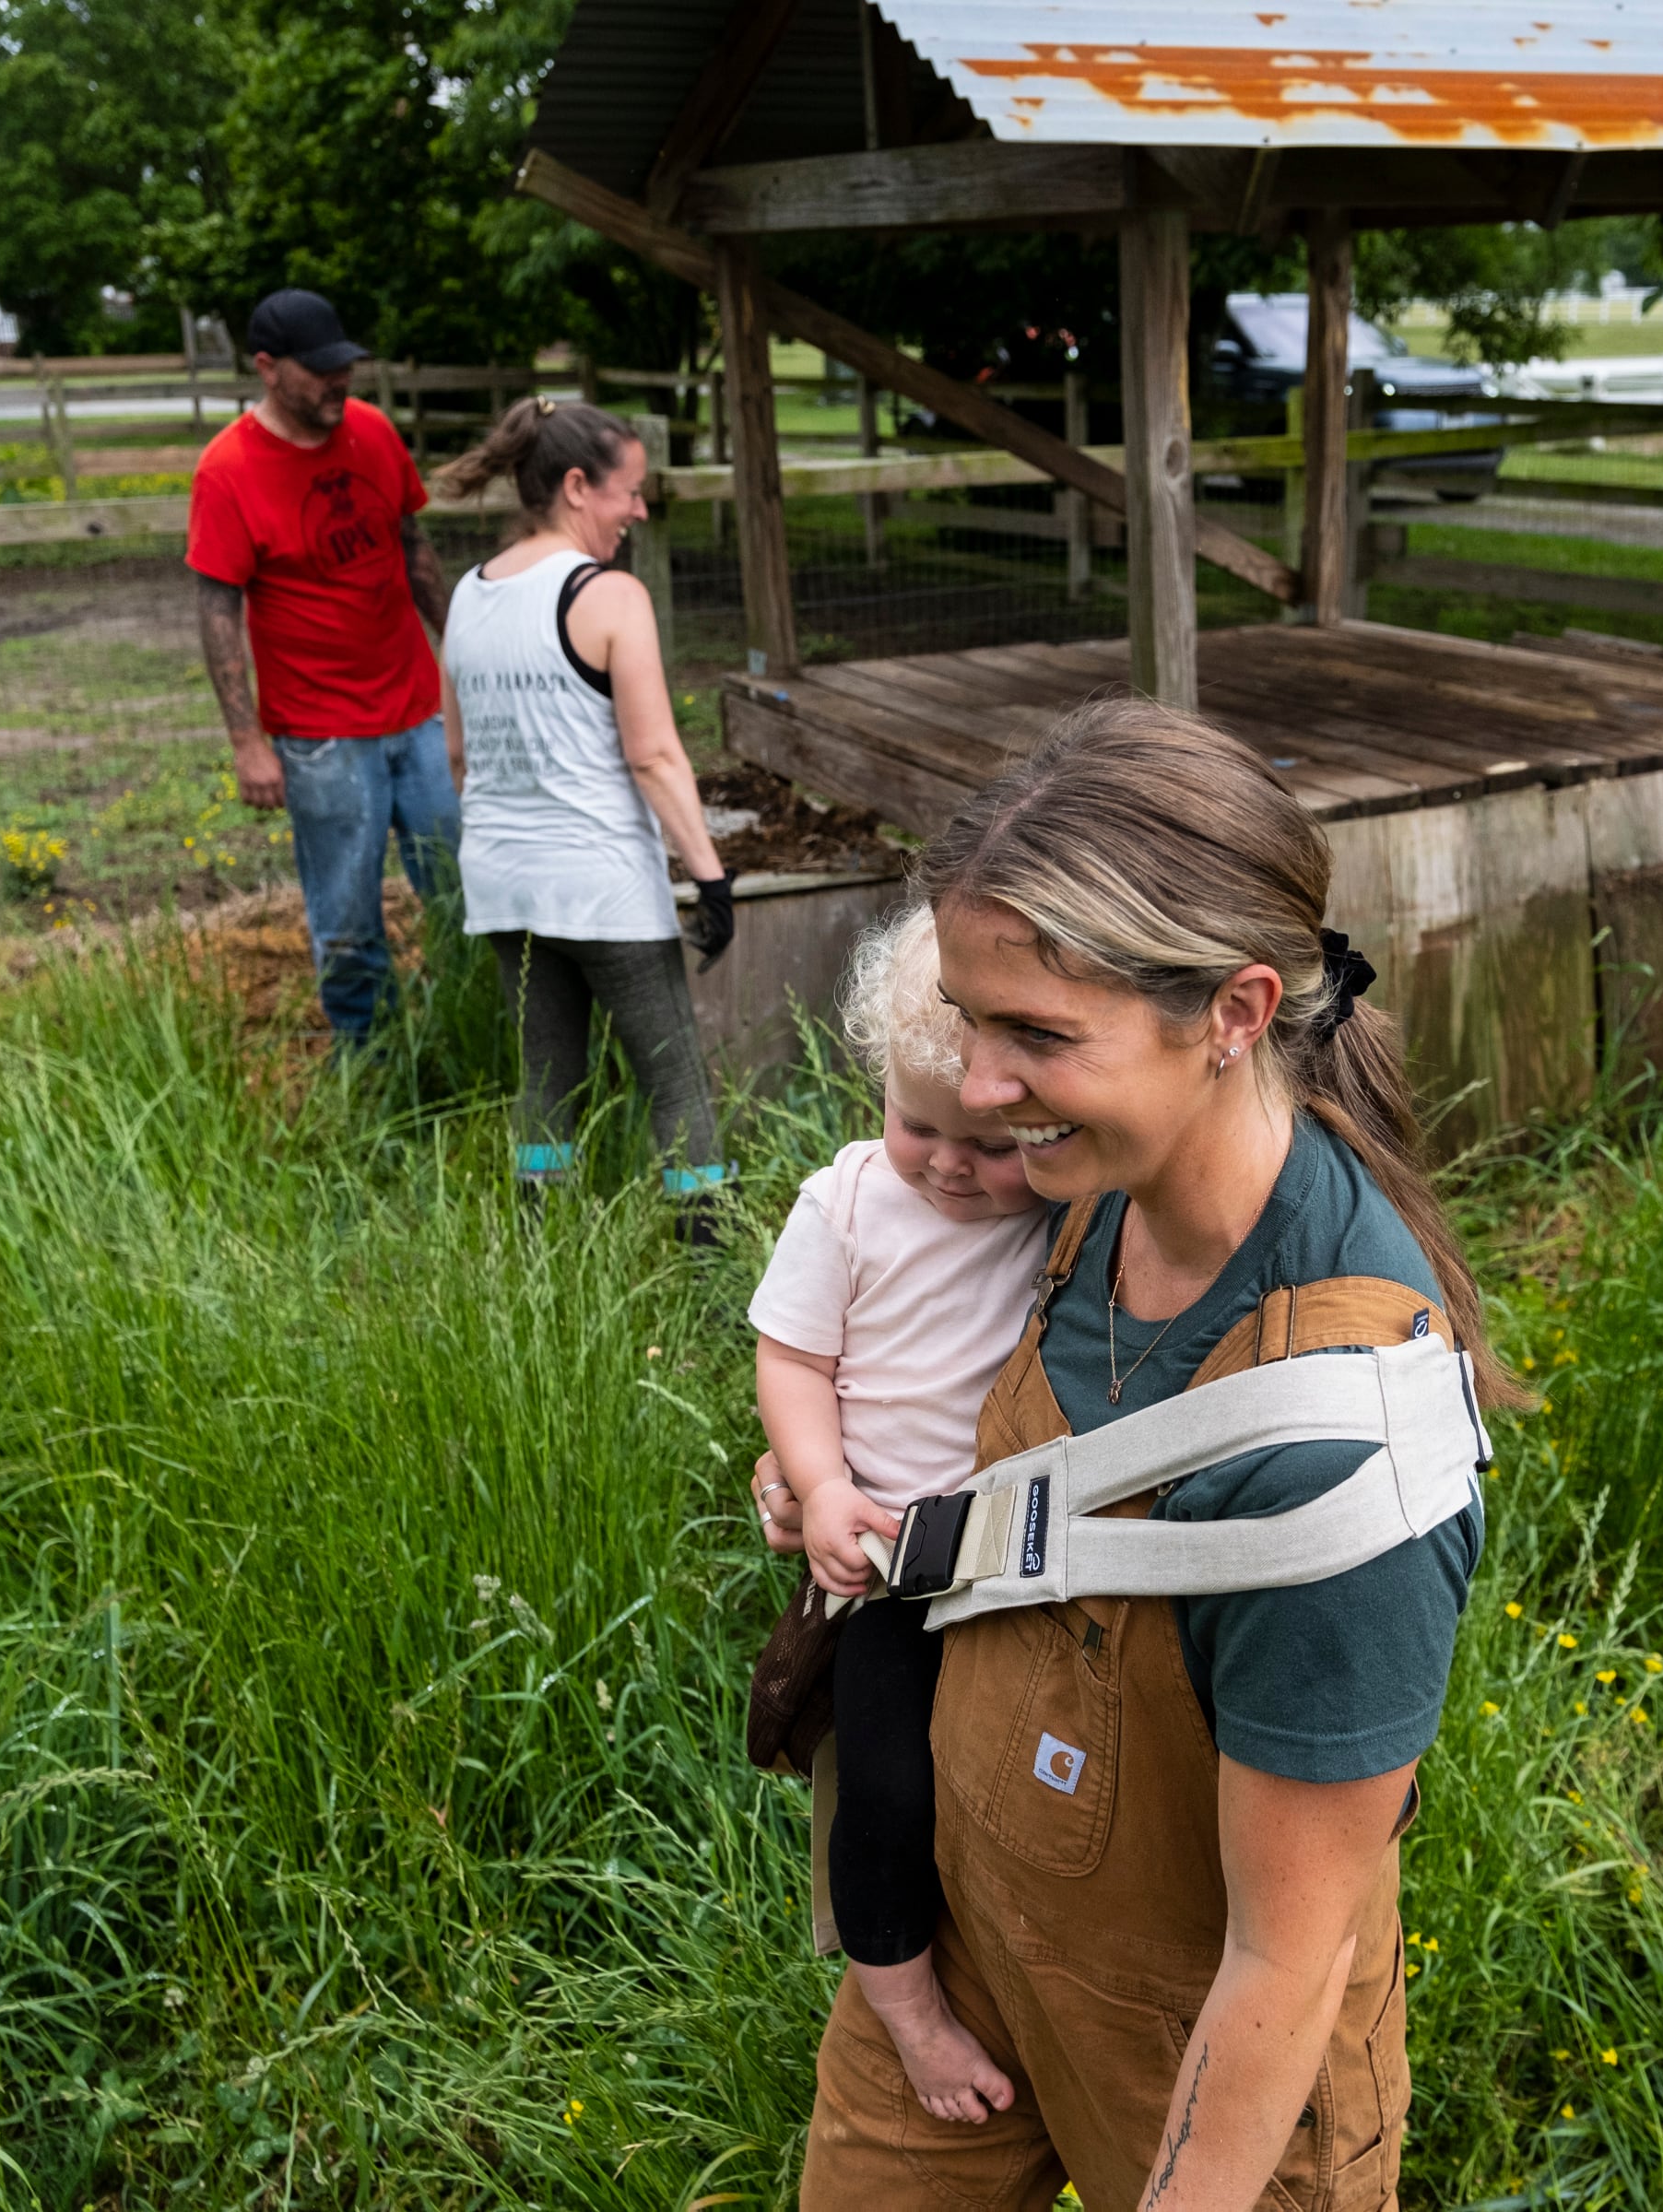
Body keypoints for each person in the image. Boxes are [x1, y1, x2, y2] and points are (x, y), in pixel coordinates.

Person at [788, 700, 1519, 2211]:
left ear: (1238, 1015)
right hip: (962, 1938)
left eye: (1037, 1038)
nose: (978, 1090)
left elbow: (1281, 1962)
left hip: (1196, 2054)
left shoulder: (1337, 1457)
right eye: (973, 1022)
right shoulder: (1079, 1188)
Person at [749, 908, 1050, 2124]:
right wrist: (817, 1486)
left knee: (1006, 1788)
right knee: (887, 1787)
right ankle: (907, 2008)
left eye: (986, 1142)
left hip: (1022, 1562)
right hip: (887, 1561)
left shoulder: (1057, 1212)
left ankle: (1014, 1966)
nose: (943, 1162)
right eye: (916, 1123)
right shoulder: (851, 1206)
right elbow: (791, 1357)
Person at [430, 397, 738, 1219]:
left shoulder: (469, 595)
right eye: (628, 491)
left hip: (503, 888)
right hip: (605, 890)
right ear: (576, 486)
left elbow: (458, 755)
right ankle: (709, 1258)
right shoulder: (610, 597)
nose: (638, 509)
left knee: (544, 1077)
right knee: (675, 1083)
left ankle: (540, 1244)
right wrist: (710, 879)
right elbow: (654, 755)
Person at [188, 288, 456, 1050]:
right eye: (320, 371)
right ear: (268, 369)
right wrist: (247, 741)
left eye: (345, 366)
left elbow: (413, 549)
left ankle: (465, 1031)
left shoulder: (371, 433)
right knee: (346, 916)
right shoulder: (229, 470)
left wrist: (457, 657)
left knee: (462, 888)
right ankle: (371, 1060)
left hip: (418, 708)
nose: (340, 383)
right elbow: (217, 611)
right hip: (321, 734)